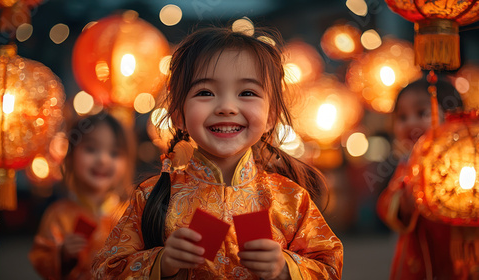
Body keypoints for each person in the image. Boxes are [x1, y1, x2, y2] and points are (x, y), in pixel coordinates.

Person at [92, 27, 343, 279]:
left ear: (271, 116)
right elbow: (105, 270)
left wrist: (286, 268)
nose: (226, 107)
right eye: (205, 93)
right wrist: (162, 262)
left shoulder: (291, 199)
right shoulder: (150, 197)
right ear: (178, 114)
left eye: (247, 93)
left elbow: (330, 266)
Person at [376, 76, 476, 280]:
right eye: (402, 117)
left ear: (452, 117)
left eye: (422, 113)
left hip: (460, 241)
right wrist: (404, 202)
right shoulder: (407, 164)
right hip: (420, 253)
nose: (410, 123)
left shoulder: (466, 158)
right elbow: (386, 204)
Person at [29, 112, 135, 280]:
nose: (103, 160)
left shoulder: (131, 213)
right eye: (91, 149)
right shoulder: (59, 214)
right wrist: (63, 254)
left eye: (114, 153)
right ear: (70, 156)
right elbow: (41, 260)